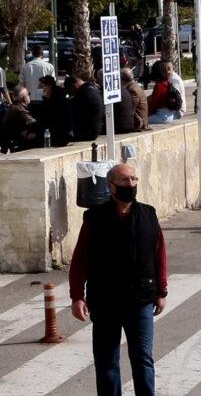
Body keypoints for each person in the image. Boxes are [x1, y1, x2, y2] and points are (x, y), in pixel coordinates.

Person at [69, 163, 168, 395]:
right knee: (107, 364)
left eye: (133, 179)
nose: (130, 184)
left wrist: (161, 290)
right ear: (110, 185)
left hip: (140, 300)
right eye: (124, 180)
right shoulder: (94, 219)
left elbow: (158, 253)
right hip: (105, 301)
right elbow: (79, 260)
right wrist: (77, 297)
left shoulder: (148, 215)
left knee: (143, 361)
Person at [65, 75, 105, 142]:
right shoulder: (93, 90)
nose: (70, 94)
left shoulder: (82, 95)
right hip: (95, 130)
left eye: (69, 90)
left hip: (85, 134)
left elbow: (73, 114)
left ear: (74, 86)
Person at [38, 76, 73, 147]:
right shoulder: (51, 97)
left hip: (57, 133)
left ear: (49, 86)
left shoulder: (58, 99)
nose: (42, 89)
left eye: (43, 86)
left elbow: (50, 116)